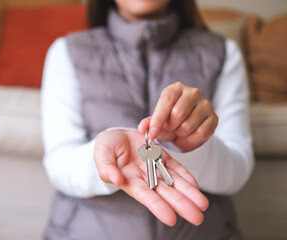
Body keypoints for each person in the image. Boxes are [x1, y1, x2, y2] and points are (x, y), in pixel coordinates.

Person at [41, 0, 254, 239]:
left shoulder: (223, 52)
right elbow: (58, 164)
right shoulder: (67, 51)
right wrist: (106, 157)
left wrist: (192, 149)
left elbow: (238, 170)